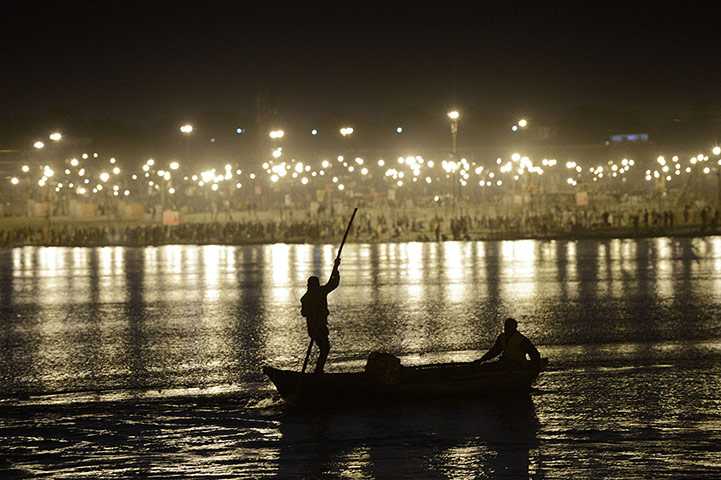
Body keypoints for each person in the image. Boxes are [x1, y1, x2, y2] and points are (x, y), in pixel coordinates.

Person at [300, 257, 341, 374]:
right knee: (325, 348)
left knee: (325, 348)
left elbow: (333, 284)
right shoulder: (307, 298)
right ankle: (318, 371)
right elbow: (304, 313)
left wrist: (336, 268)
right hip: (314, 327)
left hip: (319, 326)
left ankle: (318, 370)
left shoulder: (318, 293)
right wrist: (314, 310)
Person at [476, 318, 541, 370]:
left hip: (518, 364)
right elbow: (494, 351)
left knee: (499, 366)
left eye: (509, 327)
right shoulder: (502, 337)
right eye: (506, 327)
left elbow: (534, 353)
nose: (507, 329)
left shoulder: (521, 339)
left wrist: (534, 367)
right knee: (485, 366)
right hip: (505, 363)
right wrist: (481, 360)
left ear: (514, 328)